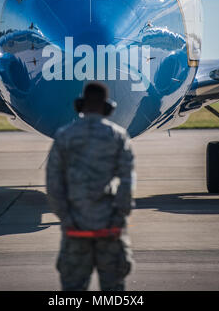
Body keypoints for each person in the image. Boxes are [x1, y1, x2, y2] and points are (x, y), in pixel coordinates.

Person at [46, 82, 135, 291]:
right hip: (109, 228)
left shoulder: (64, 135)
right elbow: (127, 182)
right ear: (108, 107)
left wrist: (67, 219)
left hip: (75, 227)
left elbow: (53, 184)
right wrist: (118, 219)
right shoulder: (118, 136)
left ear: (80, 105)